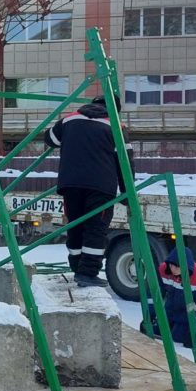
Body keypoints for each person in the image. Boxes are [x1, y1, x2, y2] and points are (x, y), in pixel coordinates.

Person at [43, 94, 132, 288]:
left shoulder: (70, 118)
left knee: (75, 225)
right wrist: (127, 193)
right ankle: (88, 273)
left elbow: (49, 139)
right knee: (95, 230)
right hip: (101, 187)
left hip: (70, 184)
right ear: (115, 110)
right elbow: (125, 162)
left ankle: (77, 267)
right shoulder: (117, 127)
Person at [142, 246, 196, 346]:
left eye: (178, 266)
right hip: (170, 309)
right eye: (172, 265)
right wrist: (149, 317)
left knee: (178, 337)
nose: (173, 269)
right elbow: (153, 295)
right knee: (157, 331)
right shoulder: (162, 270)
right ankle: (172, 324)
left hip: (189, 311)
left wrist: (195, 333)